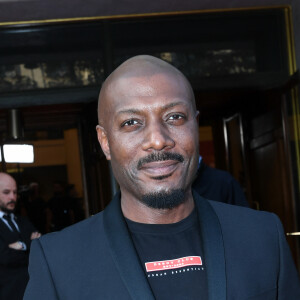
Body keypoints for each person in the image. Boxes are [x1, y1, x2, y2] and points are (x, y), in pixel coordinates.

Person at [24, 55, 300, 300]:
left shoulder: (263, 236)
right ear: (105, 142)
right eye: (131, 122)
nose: (158, 140)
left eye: (175, 117)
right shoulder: (58, 260)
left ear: (195, 124)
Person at [0, 173, 41, 300]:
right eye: (6, 192)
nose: (13, 197)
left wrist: (21, 246)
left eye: (15, 192)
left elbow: (40, 248)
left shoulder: (23, 221)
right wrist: (29, 244)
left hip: (32, 292)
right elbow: (4, 257)